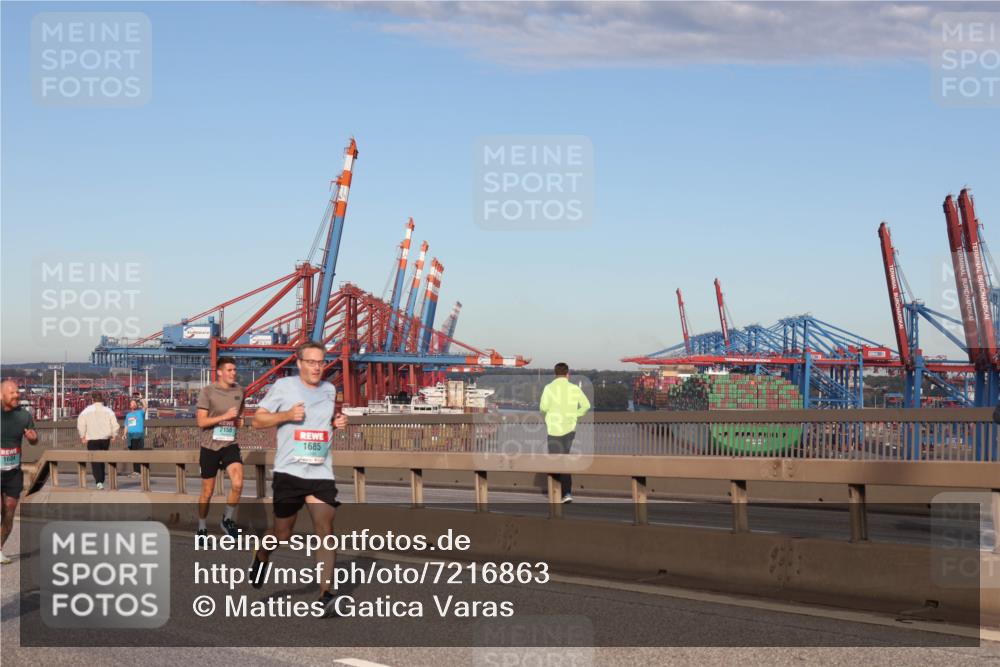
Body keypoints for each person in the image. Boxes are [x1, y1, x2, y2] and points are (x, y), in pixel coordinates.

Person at [250, 341, 347, 617]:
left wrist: (336, 423)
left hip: (320, 472)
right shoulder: (284, 387)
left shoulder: (330, 390)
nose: (317, 367)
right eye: (312, 362)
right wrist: (287, 415)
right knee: (282, 533)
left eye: (321, 362)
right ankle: (262, 555)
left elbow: (322, 423)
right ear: (300, 363)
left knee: (325, 531)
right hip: (289, 472)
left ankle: (325, 593)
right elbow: (257, 420)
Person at [195, 357, 245, 538]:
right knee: (207, 492)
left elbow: (240, 414)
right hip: (209, 446)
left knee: (238, 483)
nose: (233, 373)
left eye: (234, 370)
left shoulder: (240, 390)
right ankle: (201, 526)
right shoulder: (207, 392)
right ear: (220, 372)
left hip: (229, 444)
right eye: (230, 370)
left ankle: (227, 519)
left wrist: (240, 420)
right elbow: (201, 422)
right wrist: (224, 416)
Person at [539, 363, 591, 503]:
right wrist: (575, 414)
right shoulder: (574, 389)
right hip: (570, 429)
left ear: (555, 374)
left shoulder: (549, 388)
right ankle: (567, 492)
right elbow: (586, 406)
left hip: (554, 429)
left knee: (555, 460)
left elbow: (543, 407)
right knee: (565, 459)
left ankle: (556, 492)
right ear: (568, 374)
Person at [1, 380, 38, 564]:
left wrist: (33, 438)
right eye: (12, 392)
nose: (17, 395)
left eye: (18, 392)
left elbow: (34, 439)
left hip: (13, 471)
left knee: (9, 512)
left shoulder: (24, 416)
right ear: (1, 395)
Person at [76, 391, 120, 490]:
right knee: (102, 459)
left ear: (92, 399)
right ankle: (102, 479)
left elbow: (81, 424)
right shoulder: (108, 411)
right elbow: (115, 424)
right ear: (102, 400)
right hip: (105, 439)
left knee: (95, 461)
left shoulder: (86, 411)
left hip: (92, 439)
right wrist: (114, 434)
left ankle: (99, 481)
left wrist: (82, 436)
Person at [122, 399, 146, 477]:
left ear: (136, 405)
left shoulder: (140, 412)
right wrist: (124, 434)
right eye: (131, 403)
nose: (132, 404)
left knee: (137, 453)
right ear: (130, 406)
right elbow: (126, 425)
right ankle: (136, 471)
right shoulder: (128, 415)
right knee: (133, 453)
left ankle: (137, 471)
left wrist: (142, 399)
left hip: (138, 435)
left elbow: (145, 406)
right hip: (130, 435)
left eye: (134, 403)